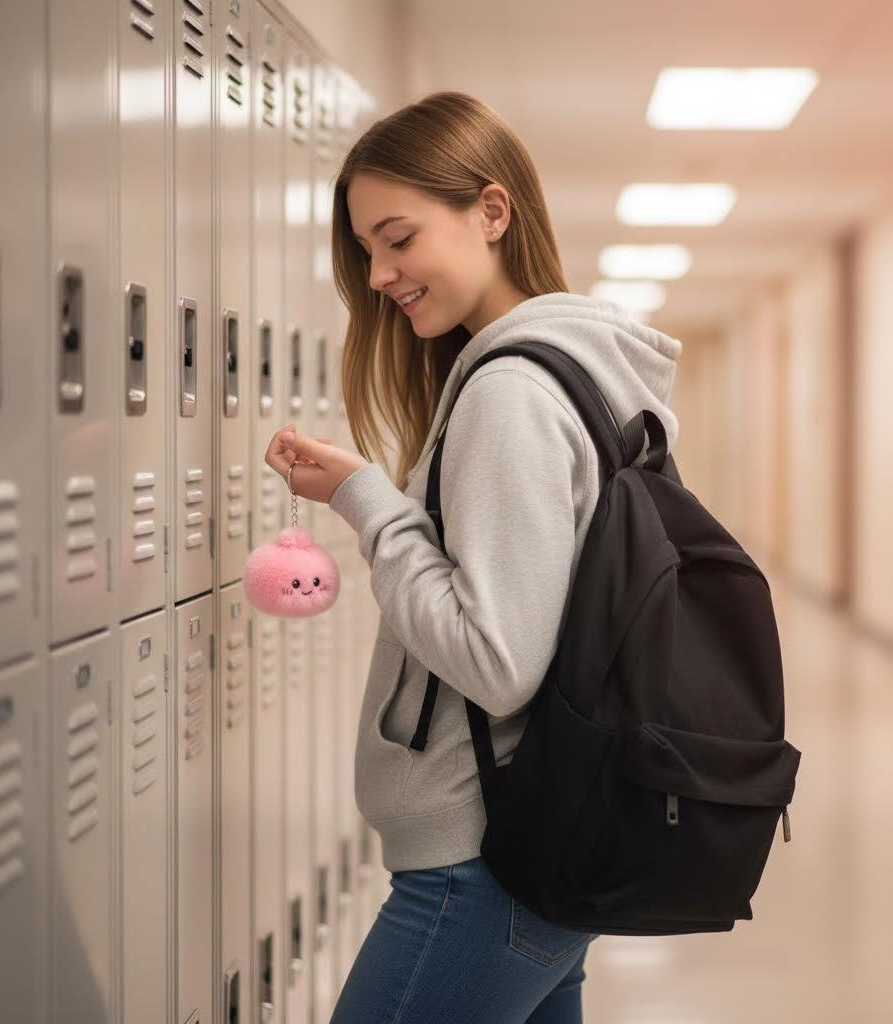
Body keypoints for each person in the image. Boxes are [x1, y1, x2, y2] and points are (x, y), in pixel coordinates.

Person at [265, 90, 683, 1023]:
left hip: (480, 867)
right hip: (539, 843)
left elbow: (499, 661)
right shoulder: (578, 371)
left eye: (397, 238)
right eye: (367, 249)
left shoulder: (511, 392)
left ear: (491, 211)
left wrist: (369, 504)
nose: (377, 273)